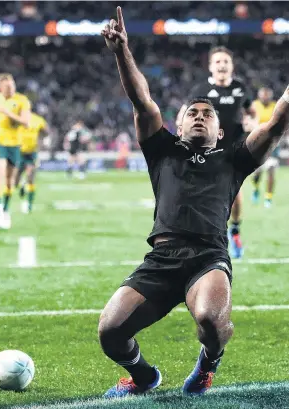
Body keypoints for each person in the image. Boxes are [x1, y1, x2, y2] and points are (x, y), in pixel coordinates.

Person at [99, 7, 289, 399]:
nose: (200, 117)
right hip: (161, 259)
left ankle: (207, 365)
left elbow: (275, 125)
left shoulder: (234, 157)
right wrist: (121, 52)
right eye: (192, 114)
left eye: (208, 114)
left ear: (221, 131)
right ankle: (143, 377)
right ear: (179, 124)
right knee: (110, 331)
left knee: (210, 318)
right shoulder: (161, 149)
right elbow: (141, 101)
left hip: (207, 256)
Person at [176, 47, 256, 259]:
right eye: (218, 62)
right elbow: (181, 117)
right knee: (202, 196)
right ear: (211, 66)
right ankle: (203, 237)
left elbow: (251, 112)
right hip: (207, 150)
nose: (222, 65)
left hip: (233, 150)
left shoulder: (241, 88)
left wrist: (251, 122)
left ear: (231, 66)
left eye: (225, 62)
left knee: (235, 196)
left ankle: (235, 232)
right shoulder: (201, 89)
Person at [0, 73, 31, 229]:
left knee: (9, 182)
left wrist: (8, 113)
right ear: (0, 88)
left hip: (15, 145)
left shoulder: (22, 101)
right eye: (7, 87)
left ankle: (4, 211)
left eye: (12, 86)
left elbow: (26, 122)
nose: (11, 89)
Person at [15, 111, 50, 213]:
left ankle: (29, 205)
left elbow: (46, 131)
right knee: (15, 181)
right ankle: (22, 185)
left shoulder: (38, 120)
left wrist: (43, 140)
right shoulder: (18, 119)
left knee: (31, 176)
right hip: (19, 151)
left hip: (32, 152)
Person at [250, 88, 278, 208]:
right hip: (257, 144)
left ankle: (268, 197)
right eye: (263, 95)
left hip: (273, 143)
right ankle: (256, 189)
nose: (265, 97)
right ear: (259, 96)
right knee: (257, 172)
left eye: (267, 96)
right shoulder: (253, 106)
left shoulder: (276, 106)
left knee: (271, 169)